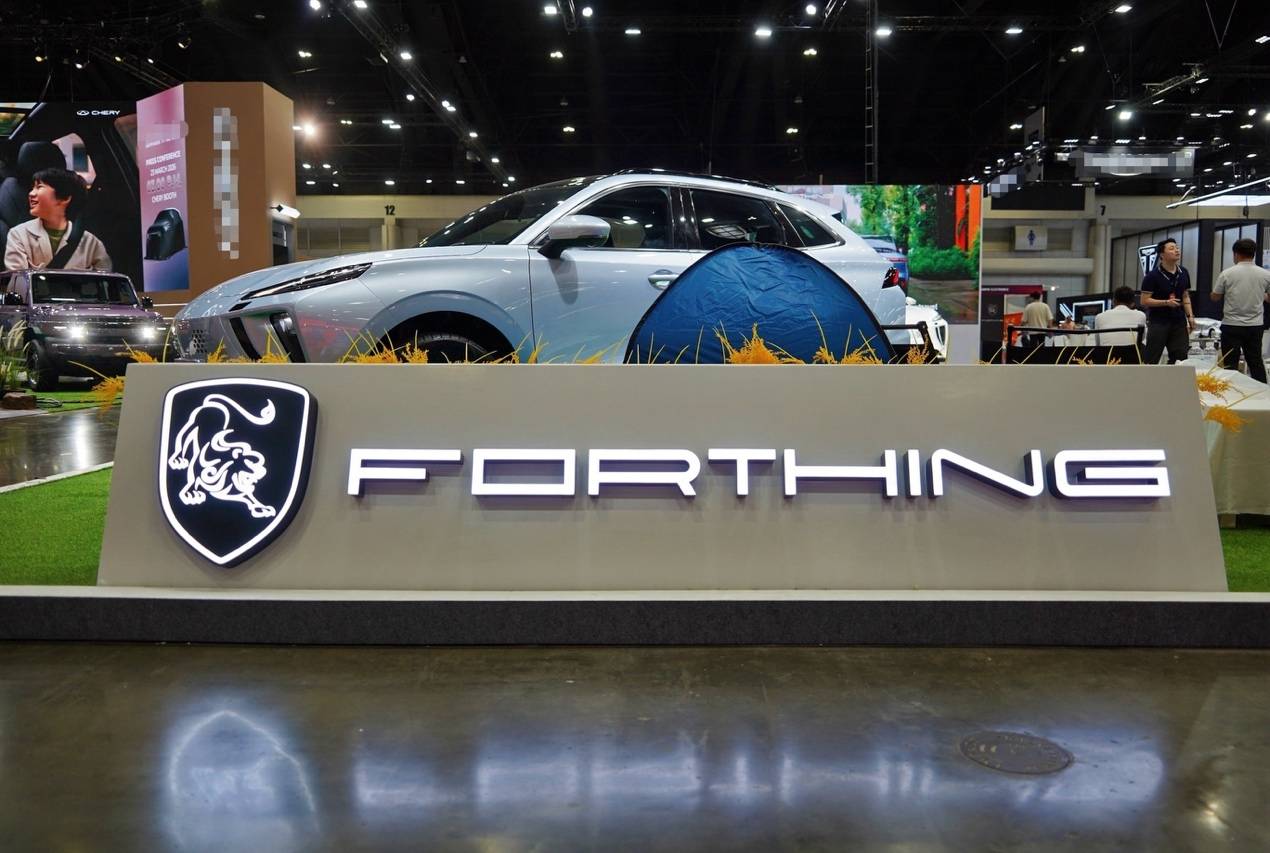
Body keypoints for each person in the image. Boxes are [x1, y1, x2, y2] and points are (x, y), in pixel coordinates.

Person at [3, 167, 111, 272]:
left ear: (65, 198)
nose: (31, 193)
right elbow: (17, 280)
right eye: (32, 188)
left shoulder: (92, 244)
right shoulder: (19, 235)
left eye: (39, 187)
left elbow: (106, 281)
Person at [1211, 237, 1270, 383]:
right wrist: (1260, 294)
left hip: (1231, 325)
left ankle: (1231, 392)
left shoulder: (1227, 273)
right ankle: (1263, 392)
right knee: (1255, 361)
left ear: (1236, 254)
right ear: (1253, 254)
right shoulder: (1265, 274)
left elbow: (1215, 297)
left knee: (1230, 364)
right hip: (1255, 326)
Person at [1140, 237, 1194, 364]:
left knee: (1180, 358)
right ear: (1162, 254)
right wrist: (1165, 302)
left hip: (1179, 322)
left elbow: (1185, 295)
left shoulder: (1184, 272)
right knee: (1152, 358)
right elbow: (1144, 301)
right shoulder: (1152, 276)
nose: (1176, 250)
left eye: (1177, 248)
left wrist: (1190, 316)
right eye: (1171, 248)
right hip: (1158, 322)